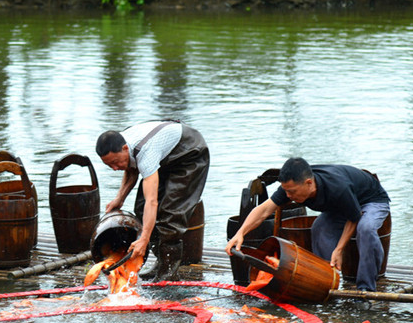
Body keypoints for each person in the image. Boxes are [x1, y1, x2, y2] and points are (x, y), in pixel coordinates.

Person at [225, 157, 390, 292]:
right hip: (342, 206)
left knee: (365, 228)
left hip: (371, 200)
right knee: (319, 227)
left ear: (309, 183)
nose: (288, 196)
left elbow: (354, 217)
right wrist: (240, 233)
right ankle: (326, 281)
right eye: (286, 191)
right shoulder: (290, 187)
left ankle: (366, 289)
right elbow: (264, 210)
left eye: (293, 192)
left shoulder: (337, 187)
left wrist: (338, 250)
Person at [96, 120, 210, 280]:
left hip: (189, 153)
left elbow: (152, 201)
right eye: (110, 166)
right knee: (141, 208)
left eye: (115, 162)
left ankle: (168, 274)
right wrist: (119, 199)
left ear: (125, 148)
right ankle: (162, 261)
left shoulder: (145, 152)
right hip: (165, 157)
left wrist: (144, 239)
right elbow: (130, 169)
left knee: (170, 216)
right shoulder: (125, 143)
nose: (115, 168)